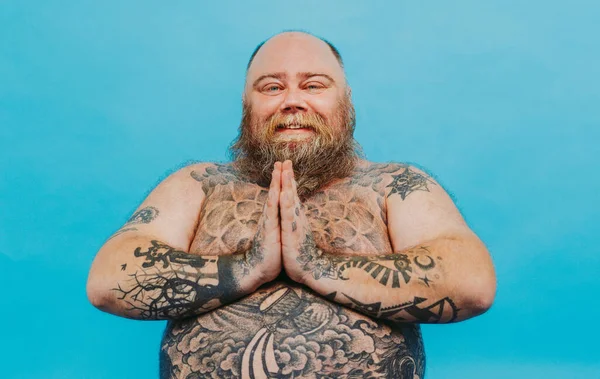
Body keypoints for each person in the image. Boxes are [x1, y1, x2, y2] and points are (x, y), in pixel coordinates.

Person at [87, 31, 496, 379]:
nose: (292, 101)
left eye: (314, 85)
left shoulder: (395, 186)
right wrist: (247, 267)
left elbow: (472, 283)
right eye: (272, 87)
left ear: (346, 99)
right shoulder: (199, 184)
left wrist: (317, 266)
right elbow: (106, 281)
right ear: (248, 103)